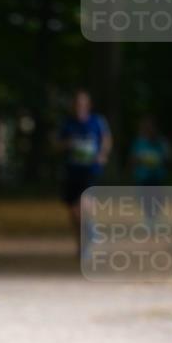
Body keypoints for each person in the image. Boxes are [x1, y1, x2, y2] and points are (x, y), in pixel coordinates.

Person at [58, 89, 111, 251]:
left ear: (88, 105)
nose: (79, 106)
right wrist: (66, 144)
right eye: (76, 103)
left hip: (90, 170)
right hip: (72, 170)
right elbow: (57, 144)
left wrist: (102, 154)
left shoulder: (97, 121)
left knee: (84, 204)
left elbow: (107, 139)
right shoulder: (67, 123)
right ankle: (83, 243)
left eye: (82, 103)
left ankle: (91, 230)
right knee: (73, 212)